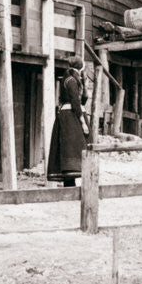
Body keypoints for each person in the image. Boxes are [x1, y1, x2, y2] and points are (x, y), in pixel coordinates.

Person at [47, 56, 88, 187]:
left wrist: (85, 83)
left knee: (70, 147)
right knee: (71, 147)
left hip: (69, 115)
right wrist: (83, 122)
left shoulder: (73, 80)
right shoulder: (71, 80)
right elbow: (76, 102)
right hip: (71, 117)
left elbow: (84, 99)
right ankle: (70, 184)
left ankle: (70, 183)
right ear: (80, 68)